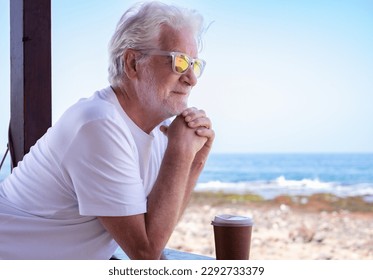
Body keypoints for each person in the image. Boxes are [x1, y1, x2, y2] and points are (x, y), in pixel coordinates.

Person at [0, 1, 214, 260]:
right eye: (179, 62)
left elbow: (158, 228)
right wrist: (179, 154)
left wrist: (195, 160)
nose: (192, 78)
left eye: (195, 64)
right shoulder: (98, 125)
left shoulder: (157, 132)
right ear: (133, 63)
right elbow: (144, 253)